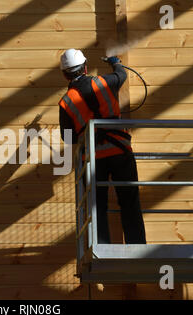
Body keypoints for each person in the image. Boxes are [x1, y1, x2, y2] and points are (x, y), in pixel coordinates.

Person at [58, 48, 146, 244]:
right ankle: (137, 246)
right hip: (120, 151)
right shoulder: (105, 82)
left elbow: (68, 137)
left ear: (65, 75)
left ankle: (101, 249)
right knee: (130, 201)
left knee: (96, 206)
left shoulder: (65, 102)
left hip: (93, 159)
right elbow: (121, 74)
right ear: (86, 68)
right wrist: (115, 62)